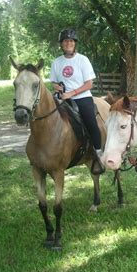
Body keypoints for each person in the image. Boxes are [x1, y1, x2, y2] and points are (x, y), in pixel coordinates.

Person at [50, 28, 104, 174]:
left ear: (75, 44)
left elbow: (89, 84)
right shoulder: (57, 62)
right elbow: (54, 82)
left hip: (82, 97)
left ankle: (98, 154)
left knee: (91, 123)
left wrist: (72, 93)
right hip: (62, 98)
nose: (69, 43)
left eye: (71, 41)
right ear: (61, 44)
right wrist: (58, 88)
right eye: (66, 41)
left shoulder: (82, 60)